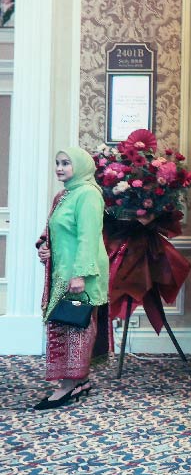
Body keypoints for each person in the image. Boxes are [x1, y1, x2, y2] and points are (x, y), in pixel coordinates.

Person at [33, 146, 110, 409]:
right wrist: (45, 247)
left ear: (81, 166)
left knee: (76, 327)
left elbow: (88, 238)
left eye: (66, 163)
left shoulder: (88, 194)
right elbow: (54, 231)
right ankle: (79, 381)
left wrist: (79, 275)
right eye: (58, 162)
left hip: (80, 273)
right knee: (65, 324)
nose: (60, 168)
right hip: (62, 271)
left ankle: (68, 386)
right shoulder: (64, 195)